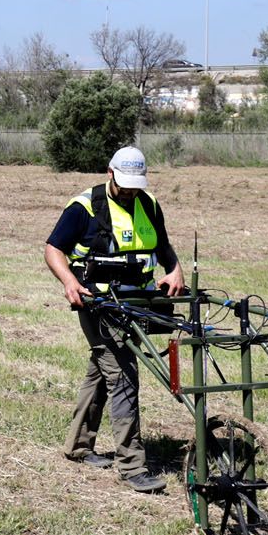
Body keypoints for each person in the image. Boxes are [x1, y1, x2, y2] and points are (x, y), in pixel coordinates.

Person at [42, 145, 186, 493]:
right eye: (125, 184)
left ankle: (78, 446)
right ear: (110, 173)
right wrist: (69, 282)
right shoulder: (85, 207)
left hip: (137, 302)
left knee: (102, 370)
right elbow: (52, 249)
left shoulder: (149, 204)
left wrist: (175, 272)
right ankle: (132, 466)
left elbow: (164, 249)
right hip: (98, 305)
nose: (131, 190)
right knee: (122, 375)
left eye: (137, 184)